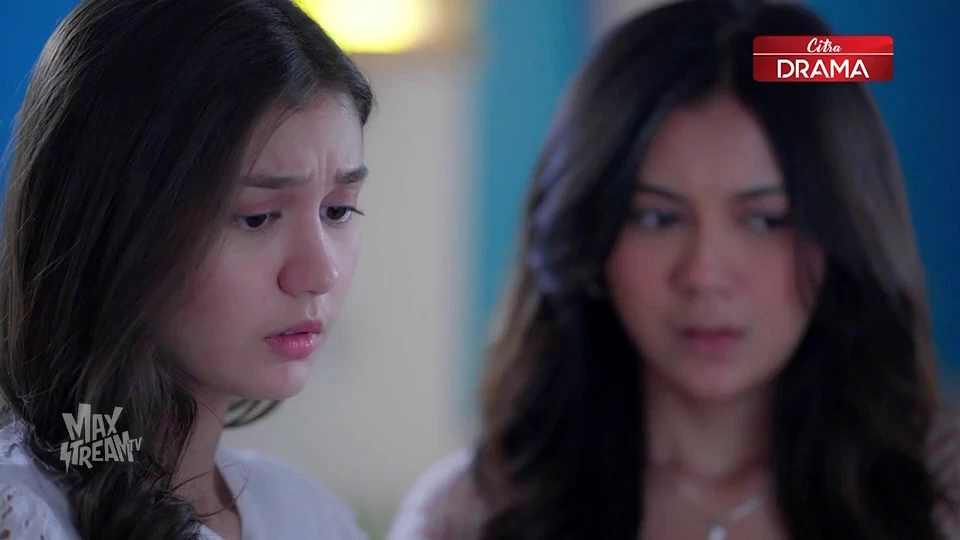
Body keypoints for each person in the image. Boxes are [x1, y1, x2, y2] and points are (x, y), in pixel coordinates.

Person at [388, 0, 960, 539]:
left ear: (845, 234)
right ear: (590, 237)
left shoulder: (939, 496)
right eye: (657, 218)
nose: (705, 274)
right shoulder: (473, 513)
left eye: (766, 221)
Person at [0, 0, 373, 538]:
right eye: (257, 217)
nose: (320, 274)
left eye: (337, 211)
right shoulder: (25, 513)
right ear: (113, 225)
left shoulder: (309, 516)